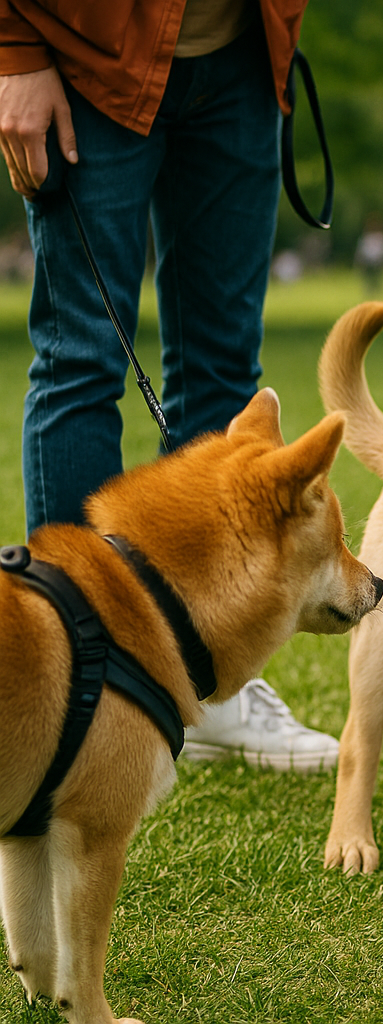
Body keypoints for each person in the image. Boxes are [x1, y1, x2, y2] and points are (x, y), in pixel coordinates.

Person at [0, 0, 340, 771]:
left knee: (223, 371)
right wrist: (13, 50)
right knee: (82, 362)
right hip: (85, 55)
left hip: (243, 60)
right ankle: (74, 675)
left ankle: (212, 682)